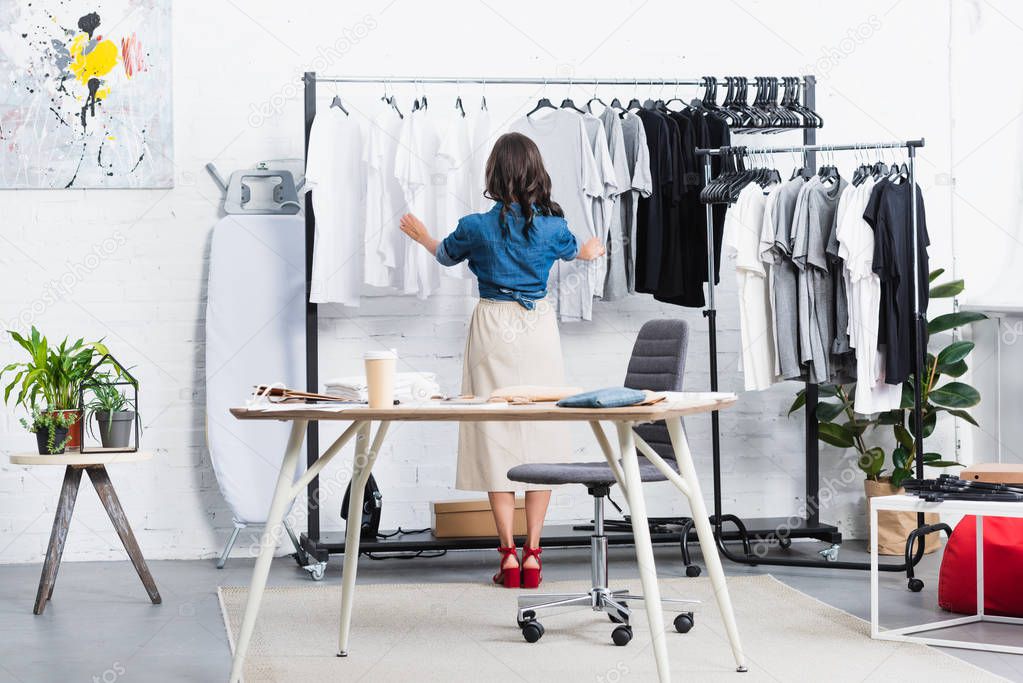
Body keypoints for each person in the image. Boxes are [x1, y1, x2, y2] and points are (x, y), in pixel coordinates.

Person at [400, 132, 604, 589]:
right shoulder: (553, 226)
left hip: (492, 327)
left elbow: (445, 256)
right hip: (537, 331)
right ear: (536, 173)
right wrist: (591, 252)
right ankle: (534, 553)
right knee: (541, 434)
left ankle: (508, 555)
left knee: (494, 433)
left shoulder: (474, 225)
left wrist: (422, 237)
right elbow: (577, 251)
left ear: (493, 173)